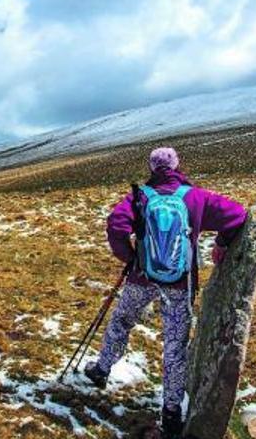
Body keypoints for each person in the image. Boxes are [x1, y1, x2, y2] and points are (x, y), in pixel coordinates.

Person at [85, 147, 246, 438]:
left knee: (121, 321)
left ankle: (101, 369)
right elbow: (237, 215)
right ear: (177, 165)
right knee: (174, 344)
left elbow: (115, 225)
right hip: (179, 283)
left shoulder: (141, 197)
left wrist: (130, 257)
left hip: (141, 277)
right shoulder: (196, 197)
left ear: (151, 167)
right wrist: (222, 242)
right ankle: (171, 411)